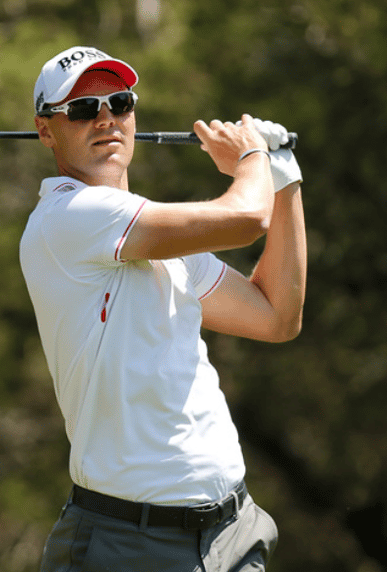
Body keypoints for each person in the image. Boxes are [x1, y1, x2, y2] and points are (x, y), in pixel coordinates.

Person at [19, 46, 305, 571]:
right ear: (46, 130)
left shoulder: (156, 238)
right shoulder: (68, 216)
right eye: (82, 110)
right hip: (126, 546)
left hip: (232, 535)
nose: (106, 119)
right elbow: (246, 218)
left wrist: (284, 179)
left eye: (119, 103)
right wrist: (251, 158)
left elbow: (276, 316)